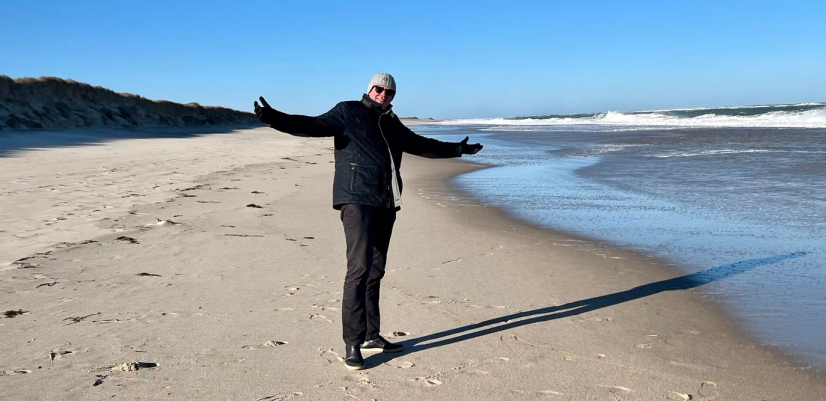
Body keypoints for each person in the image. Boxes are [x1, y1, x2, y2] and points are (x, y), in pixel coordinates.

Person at [254, 73, 483, 370]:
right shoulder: (348, 111)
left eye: (389, 92)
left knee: (376, 270)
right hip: (356, 199)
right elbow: (310, 125)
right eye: (379, 89)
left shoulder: (391, 122)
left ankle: (371, 335)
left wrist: (457, 149)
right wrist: (274, 118)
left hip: (386, 202)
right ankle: (352, 342)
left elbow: (419, 144)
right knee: (359, 269)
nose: (383, 94)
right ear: (369, 89)